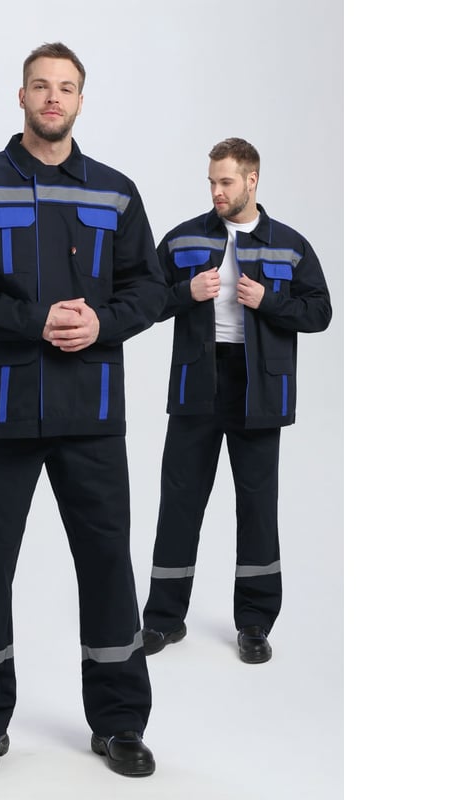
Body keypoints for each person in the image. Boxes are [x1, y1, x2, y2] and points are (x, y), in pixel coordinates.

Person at [0, 43, 166, 778]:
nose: (53, 97)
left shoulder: (116, 192)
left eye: (66, 87)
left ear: (81, 101)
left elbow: (150, 289)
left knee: (107, 565)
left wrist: (101, 322)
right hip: (2, 413)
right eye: (41, 86)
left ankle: (120, 723)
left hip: (91, 411)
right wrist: (33, 320)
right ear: (22, 96)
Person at [140, 137, 332, 664]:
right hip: (197, 385)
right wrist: (186, 294)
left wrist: (270, 301)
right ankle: (163, 620)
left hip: (258, 389)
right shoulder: (183, 238)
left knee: (257, 507)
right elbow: (143, 299)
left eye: (226, 182)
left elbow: (320, 312)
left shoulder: (289, 244)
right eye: (211, 182)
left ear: (252, 180)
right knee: (179, 503)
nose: (216, 192)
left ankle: (254, 622)